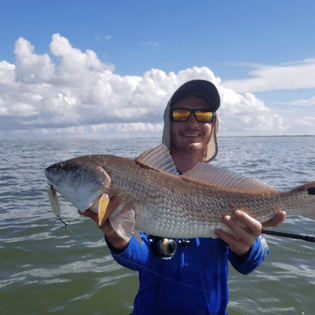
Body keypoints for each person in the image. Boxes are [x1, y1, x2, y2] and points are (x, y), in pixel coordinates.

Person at [80, 80, 286, 314]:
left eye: (204, 114)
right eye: (181, 114)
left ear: (213, 124)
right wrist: (118, 239)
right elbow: (139, 258)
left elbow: (249, 264)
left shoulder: (228, 191)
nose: (192, 122)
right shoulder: (140, 181)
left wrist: (246, 247)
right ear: (168, 122)